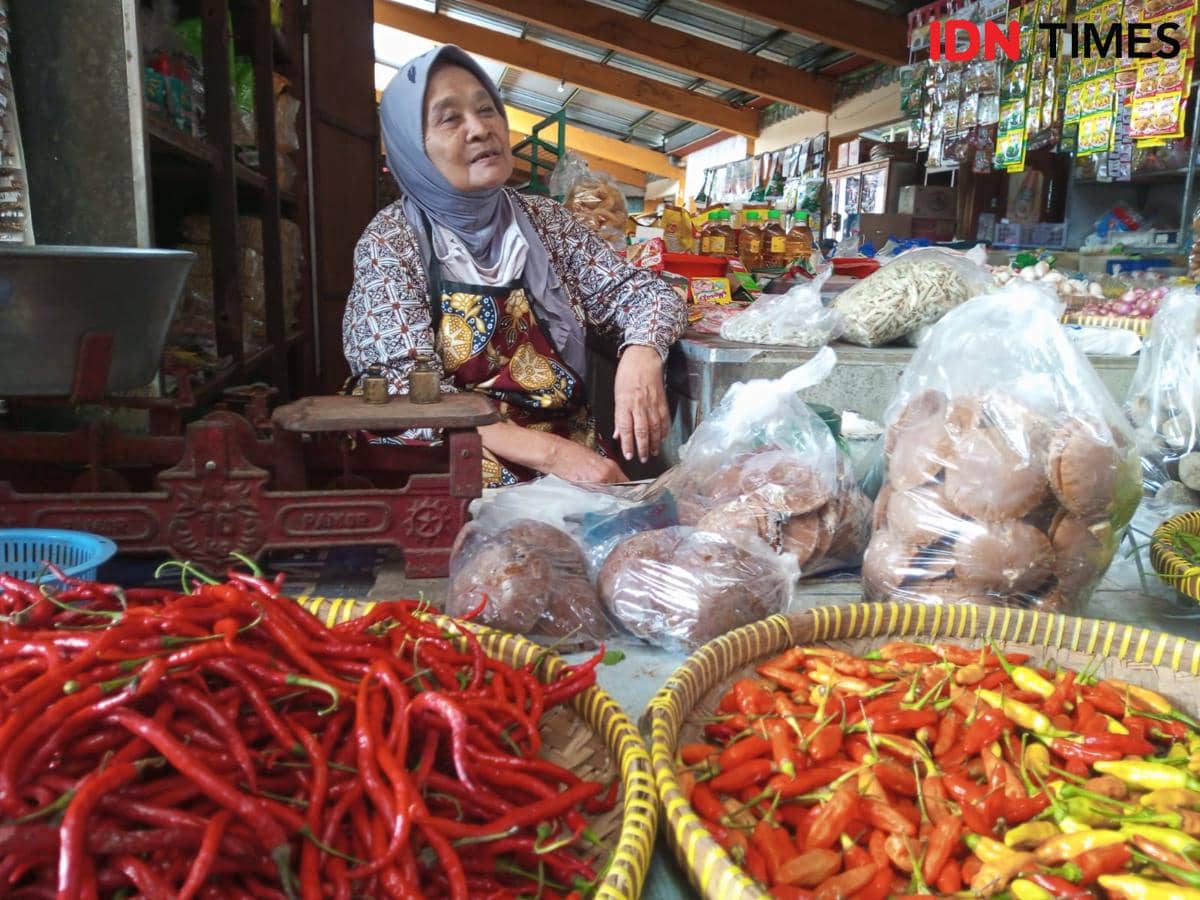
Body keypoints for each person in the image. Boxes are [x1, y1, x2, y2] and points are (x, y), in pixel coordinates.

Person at [343, 45, 687, 488]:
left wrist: (641, 354)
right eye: (450, 118)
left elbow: (644, 292)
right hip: (452, 456)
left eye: (487, 110)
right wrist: (555, 456)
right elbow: (404, 391)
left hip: (566, 449)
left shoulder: (547, 222)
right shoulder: (392, 239)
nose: (480, 129)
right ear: (412, 147)